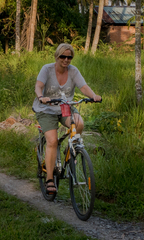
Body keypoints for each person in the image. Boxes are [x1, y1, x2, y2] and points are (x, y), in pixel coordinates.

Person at [33, 43, 101, 196]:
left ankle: (70, 152)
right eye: (63, 56)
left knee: (79, 123)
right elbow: (39, 85)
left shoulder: (73, 71)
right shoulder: (47, 69)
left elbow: (83, 87)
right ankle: (50, 179)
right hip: (46, 109)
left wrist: (93, 96)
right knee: (52, 141)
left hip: (65, 107)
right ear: (57, 56)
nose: (66, 59)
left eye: (69, 57)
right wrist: (41, 97)